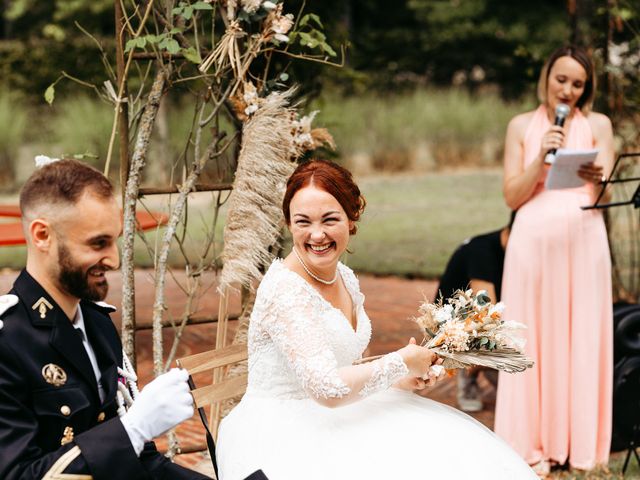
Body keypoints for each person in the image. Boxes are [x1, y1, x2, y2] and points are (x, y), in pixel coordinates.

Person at [216, 159, 536, 479]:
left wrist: (401, 379)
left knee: (451, 457)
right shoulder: (285, 289)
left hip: (340, 414)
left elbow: (350, 368)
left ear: (351, 218)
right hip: (283, 432)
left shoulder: (344, 277)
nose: (317, 234)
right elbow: (327, 388)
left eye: (330, 219)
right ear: (288, 224)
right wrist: (401, 361)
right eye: (303, 222)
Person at [0, 159, 210, 479]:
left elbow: (139, 461)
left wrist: (133, 435)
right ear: (42, 235)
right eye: (98, 243)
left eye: (115, 240)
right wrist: (132, 430)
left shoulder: (96, 323)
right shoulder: (8, 343)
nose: (113, 259)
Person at [495, 45, 614, 475]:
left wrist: (601, 178)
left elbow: (609, 196)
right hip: (534, 243)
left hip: (584, 241)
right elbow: (511, 195)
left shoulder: (599, 124)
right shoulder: (521, 125)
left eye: (577, 84)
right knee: (532, 338)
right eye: (561, 79)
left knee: (581, 334)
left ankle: (579, 444)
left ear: (587, 89)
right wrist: (540, 159)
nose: (567, 90)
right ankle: (531, 443)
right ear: (546, 77)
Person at [436, 213, 513, 412]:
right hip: (455, 325)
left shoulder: (514, 252)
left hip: (485, 314)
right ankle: (469, 373)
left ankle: (498, 373)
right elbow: (485, 311)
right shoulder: (482, 250)